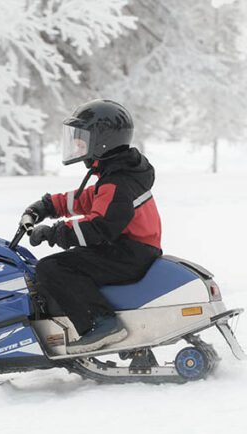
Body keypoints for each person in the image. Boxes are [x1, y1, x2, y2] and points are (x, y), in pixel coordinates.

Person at [21, 99, 162, 354]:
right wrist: (48, 206)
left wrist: (54, 233)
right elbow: (89, 199)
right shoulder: (117, 174)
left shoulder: (117, 182)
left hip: (129, 253)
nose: (76, 144)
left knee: (52, 268)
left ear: (102, 140)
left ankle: (102, 323)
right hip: (130, 247)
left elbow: (98, 227)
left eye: (81, 138)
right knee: (63, 263)